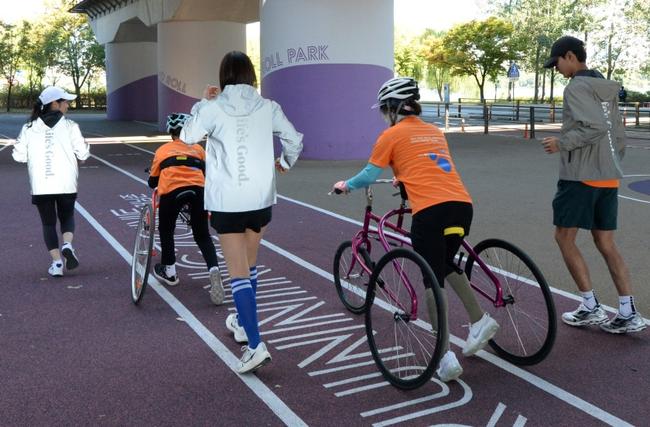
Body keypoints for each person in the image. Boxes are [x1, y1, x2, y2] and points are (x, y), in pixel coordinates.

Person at [332, 77, 499, 383]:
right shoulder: (434, 132)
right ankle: (479, 320)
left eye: (384, 109)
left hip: (430, 211)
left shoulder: (390, 135)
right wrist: (405, 177)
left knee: (431, 279)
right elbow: (432, 166)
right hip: (461, 205)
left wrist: (346, 185)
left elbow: (369, 174)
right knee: (445, 264)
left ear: (393, 108)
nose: (383, 115)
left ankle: (443, 356)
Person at [180, 51, 303, 373]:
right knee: (249, 267)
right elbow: (294, 139)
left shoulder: (213, 107)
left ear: (224, 77)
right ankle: (241, 321)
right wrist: (285, 162)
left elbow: (187, 136)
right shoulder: (268, 106)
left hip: (228, 201)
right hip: (261, 199)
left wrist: (201, 102)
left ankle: (255, 345)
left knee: (237, 274)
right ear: (251, 75)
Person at [542, 36, 645, 333]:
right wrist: (611, 161)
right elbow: (616, 132)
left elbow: (595, 127)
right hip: (608, 175)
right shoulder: (604, 87)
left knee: (564, 238)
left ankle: (590, 306)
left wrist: (561, 143)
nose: (557, 69)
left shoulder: (576, 87)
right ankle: (627, 311)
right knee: (606, 243)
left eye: (557, 63)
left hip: (581, 176)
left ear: (570, 56)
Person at [12, 86, 89, 277]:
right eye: (65, 101)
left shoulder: (29, 128)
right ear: (55, 103)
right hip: (66, 182)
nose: (68, 105)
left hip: (41, 184)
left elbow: (18, 156)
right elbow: (83, 153)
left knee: (48, 224)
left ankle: (57, 264)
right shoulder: (70, 126)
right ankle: (67, 244)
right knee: (67, 216)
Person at [147, 113, 224, 304]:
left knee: (166, 230)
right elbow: (208, 173)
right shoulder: (198, 149)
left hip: (172, 192)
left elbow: (152, 182)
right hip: (198, 191)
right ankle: (214, 269)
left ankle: (170, 271)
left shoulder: (162, 151)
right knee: (203, 235)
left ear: (171, 132)